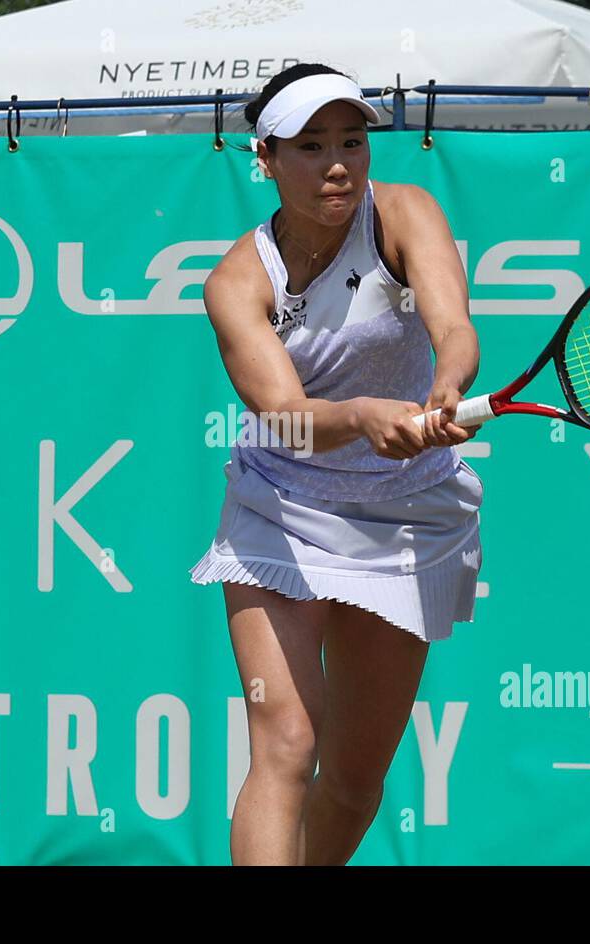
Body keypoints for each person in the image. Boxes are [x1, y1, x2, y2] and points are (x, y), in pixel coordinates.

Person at [188, 63, 485, 865]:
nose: (338, 164)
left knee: (354, 785)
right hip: (280, 508)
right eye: (312, 146)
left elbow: (453, 325)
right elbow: (283, 419)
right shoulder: (234, 283)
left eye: (352, 142)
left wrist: (448, 383)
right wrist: (360, 416)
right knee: (286, 741)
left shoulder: (406, 213)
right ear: (267, 158)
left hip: (406, 515)